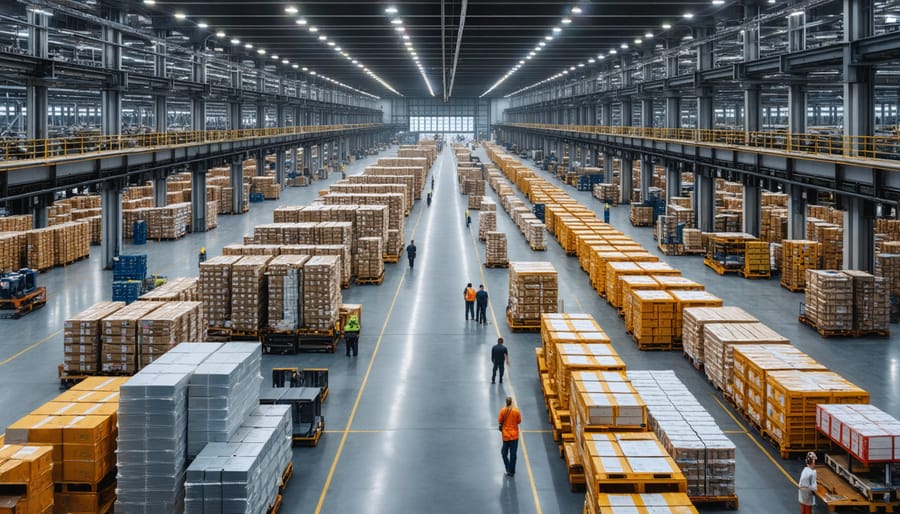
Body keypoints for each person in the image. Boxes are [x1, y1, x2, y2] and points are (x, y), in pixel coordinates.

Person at [497, 396, 522, 477]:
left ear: (506, 402)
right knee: (513, 454)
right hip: (514, 436)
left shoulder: (503, 411)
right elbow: (519, 421)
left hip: (506, 435)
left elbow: (500, 420)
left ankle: (508, 468)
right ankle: (512, 471)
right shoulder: (516, 411)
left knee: (504, 453)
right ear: (511, 402)